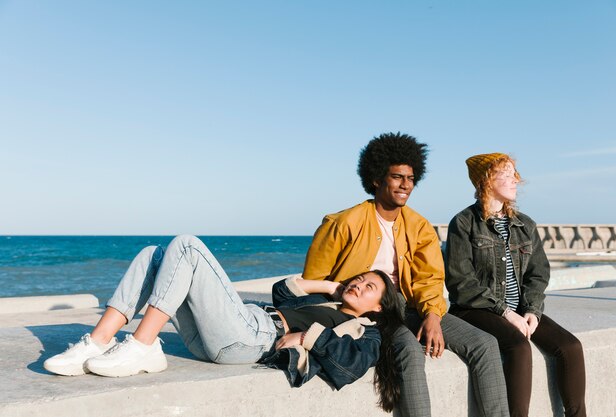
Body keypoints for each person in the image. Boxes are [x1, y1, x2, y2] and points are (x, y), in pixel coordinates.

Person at [43, 235, 405, 410]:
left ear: (377, 308)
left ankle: (140, 345)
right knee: (154, 254)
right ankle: (99, 340)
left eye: (368, 286)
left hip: (251, 337)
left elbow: (351, 366)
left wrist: (306, 336)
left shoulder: (365, 331)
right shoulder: (328, 302)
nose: (358, 283)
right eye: (358, 278)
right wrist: (332, 285)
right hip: (232, 329)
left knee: (186, 245)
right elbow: (283, 291)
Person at [302, 133, 509, 417]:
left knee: (486, 344)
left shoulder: (419, 226)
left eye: (411, 178)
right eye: (398, 177)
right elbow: (312, 281)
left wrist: (433, 316)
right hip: (368, 312)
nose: (406, 185)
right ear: (377, 179)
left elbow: (429, 280)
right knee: (409, 349)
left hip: (412, 305)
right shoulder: (342, 223)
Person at [444, 153, 587, 417]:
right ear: (486, 179)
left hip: (520, 309)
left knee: (570, 347)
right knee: (519, 348)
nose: (514, 180)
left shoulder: (525, 225)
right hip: (476, 309)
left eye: (514, 174)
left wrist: (531, 311)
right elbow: (460, 282)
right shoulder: (464, 223)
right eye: (506, 174)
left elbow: (538, 273)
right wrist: (505, 312)